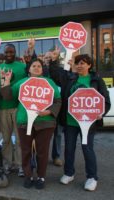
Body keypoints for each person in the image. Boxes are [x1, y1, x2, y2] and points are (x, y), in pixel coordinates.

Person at [49, 54, 111, 191]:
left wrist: (101, 113)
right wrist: (54, 61)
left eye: (83, 63)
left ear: (89, 65)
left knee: (87, 149)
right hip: (71, 121)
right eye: (77, 63)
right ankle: (69, 173)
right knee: (69, 148)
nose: (79, 65)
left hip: (88, 122)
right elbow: (55, 74)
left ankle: (92, 177)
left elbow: (105, 101)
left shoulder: (96, 80)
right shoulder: (70, 77)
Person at [1, 59, 61, 189]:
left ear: (42, 69)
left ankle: (41, 177)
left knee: (42, 151)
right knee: (26, 150)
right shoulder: (22, 83)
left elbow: (58, 101)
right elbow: (7, 96)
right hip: (24, 122)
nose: (36, 67)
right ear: (29, 69)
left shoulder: (49, 82)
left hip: (45, 123)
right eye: (34, 66)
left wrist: (49, 111)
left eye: (39, 66)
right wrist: (6, 80)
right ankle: (28, 175)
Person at [0, 43, 27, 176]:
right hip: (3, 108)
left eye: (11, 52)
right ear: (3, 53)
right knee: (6, 139)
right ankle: (7, 163)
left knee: (20, 139)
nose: (9, 54)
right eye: (6, 52)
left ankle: (20, 165)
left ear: (15, 52)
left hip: (19, 107)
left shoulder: (23, 67)